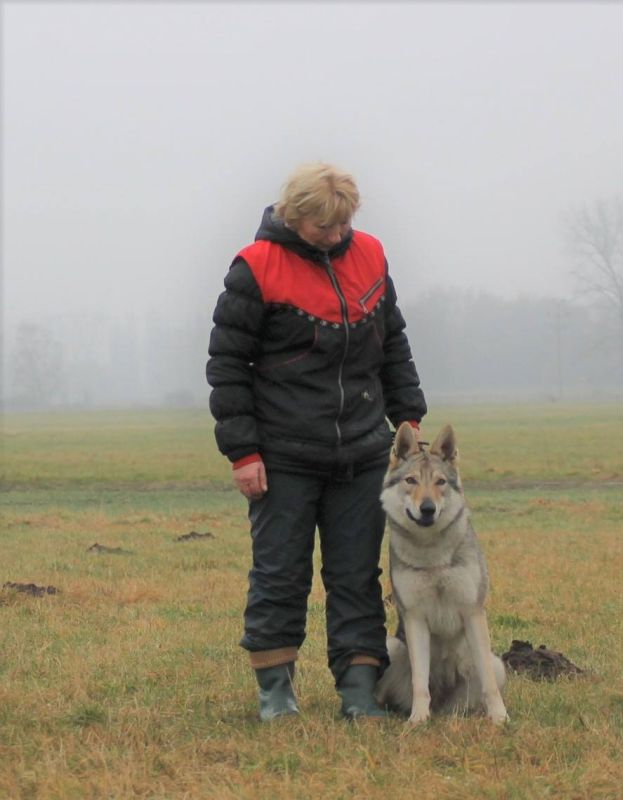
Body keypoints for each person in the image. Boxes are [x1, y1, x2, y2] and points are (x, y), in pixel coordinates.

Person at [207, 162, 426, 721]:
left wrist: (410, 419)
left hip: (363, 449)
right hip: (282, 455)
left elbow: (393, 341)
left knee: (357, 575)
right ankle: (275, 694)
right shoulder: (255, 267)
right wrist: (243, 453)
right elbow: (228, 365)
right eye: (323, 227)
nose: (335, 236)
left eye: (342, 225)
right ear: (294, 215)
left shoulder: (372, 255)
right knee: (280, 574)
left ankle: (358, 693)